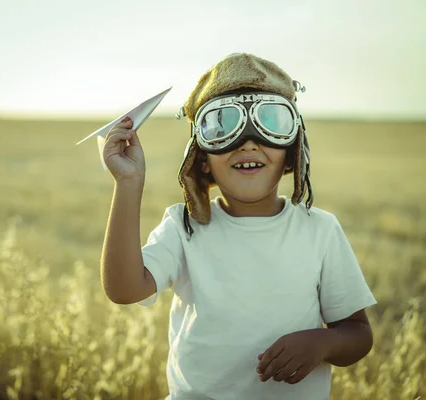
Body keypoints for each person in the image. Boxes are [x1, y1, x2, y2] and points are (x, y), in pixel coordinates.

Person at [99, 53, 377, 400]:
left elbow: (358, 334)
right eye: (223, 126)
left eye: (270, 122)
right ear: (201, 159)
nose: (247, 141)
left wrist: (325, 342)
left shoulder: (320, 231)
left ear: (292, 153)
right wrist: (127, 183)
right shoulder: (183, 228)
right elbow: (123, 290)